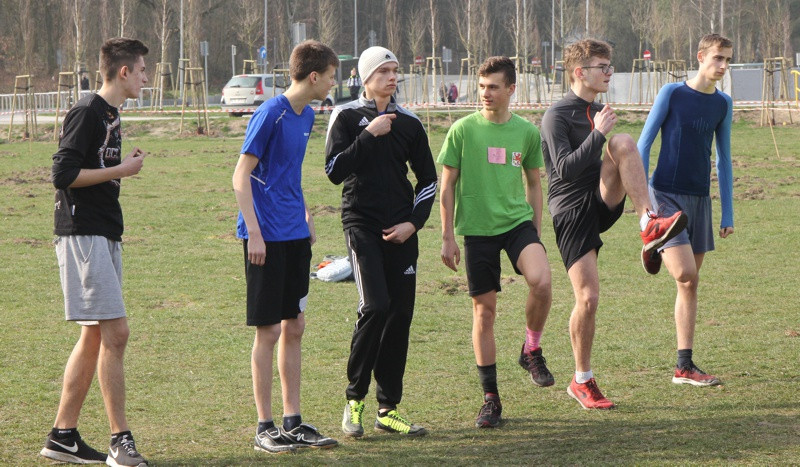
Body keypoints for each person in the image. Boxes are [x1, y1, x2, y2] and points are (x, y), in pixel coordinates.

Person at [539, 38, 687, 410]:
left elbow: (612, 155)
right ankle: (581, 380)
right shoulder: (557, 116)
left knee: (623, 141)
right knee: (587, 298)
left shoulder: (600, 109)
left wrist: (605, 134)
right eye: (602, 67)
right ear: (580, 72)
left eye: (610, 66)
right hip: (570, 211)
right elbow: (565, 171)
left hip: (601, 201)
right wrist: (598, 134)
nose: (609, 73)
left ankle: (648, 222)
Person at [42, 37, 149, 467]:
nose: (146, 76)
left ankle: (62, 435)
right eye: (142, 69)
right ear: (123, 71)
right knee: (115, 333)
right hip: (82, 234)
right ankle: (119, 441)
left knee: (94, 334)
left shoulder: (111, 114)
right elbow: (62, 174)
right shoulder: (87, 111)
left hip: (103, 233)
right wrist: (121, 170)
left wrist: (117, 170)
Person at [232, 39, 340, 454]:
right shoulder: (269, 114)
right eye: (331, 76)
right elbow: (241, 177)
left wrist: (306, 215)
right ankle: (265, 428)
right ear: (314, 76)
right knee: (269, 331)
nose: (333, 83)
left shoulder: (309, 115)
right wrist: (254, 232)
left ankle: (292, 421)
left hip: (295, 233)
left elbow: (287, 174)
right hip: (266, 238)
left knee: (295, 325)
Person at [325, 46, 437, 438]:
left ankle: (388, 408)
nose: (392, 77)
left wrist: (413, 223)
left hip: (401, 230)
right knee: (375, 305)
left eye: (395, 70)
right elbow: (334, 171)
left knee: (399, 316)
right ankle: (354, 401)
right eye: (384, 71)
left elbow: (428, 181)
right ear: (365, 77)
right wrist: (369, 135)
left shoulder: (410, 122)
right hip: (362, 225)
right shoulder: (346, 116)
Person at [439, 56, 554, 428]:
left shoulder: (527, 132)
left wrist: (535, 230)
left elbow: (535, 184)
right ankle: (491, 399)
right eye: (482, 86)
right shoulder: (462, 130)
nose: (485, 93)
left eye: (493, 87)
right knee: (484, 313)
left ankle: (531, 348)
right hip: (476, 230)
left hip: (517, 224)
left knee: (542, 280)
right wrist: (447, 237)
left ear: (510, 89)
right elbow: (447, 187)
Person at [637, 33, 734, 387]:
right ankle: (654, 237)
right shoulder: (672, 94)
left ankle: (684, 366)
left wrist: (728, 213)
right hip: (665, 196)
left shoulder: (723, 104)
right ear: (700, 56)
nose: (722, 66)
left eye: (727, 60)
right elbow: (643, 145)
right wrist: (644, 206)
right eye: (718, 58)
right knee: (685, 275)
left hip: (700, 200)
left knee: (691, 285)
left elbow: (724, 161)